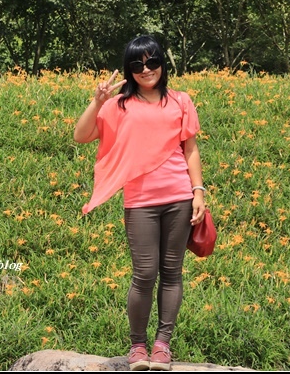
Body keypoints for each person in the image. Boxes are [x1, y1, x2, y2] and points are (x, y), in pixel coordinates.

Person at [73, 34, 206, 371]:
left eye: (152, 62)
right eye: (137, 64)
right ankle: (138, 347)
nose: (146, 69)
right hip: (140, 201)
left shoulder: (180, 100)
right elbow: (82, 135)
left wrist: (198, 191)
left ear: (163, 62)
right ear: (129, 70)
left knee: (172, 272)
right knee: (145, 273)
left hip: (178, 197)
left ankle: (162, 346)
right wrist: (96, 100)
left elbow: (189, 149)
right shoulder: (118, 105)